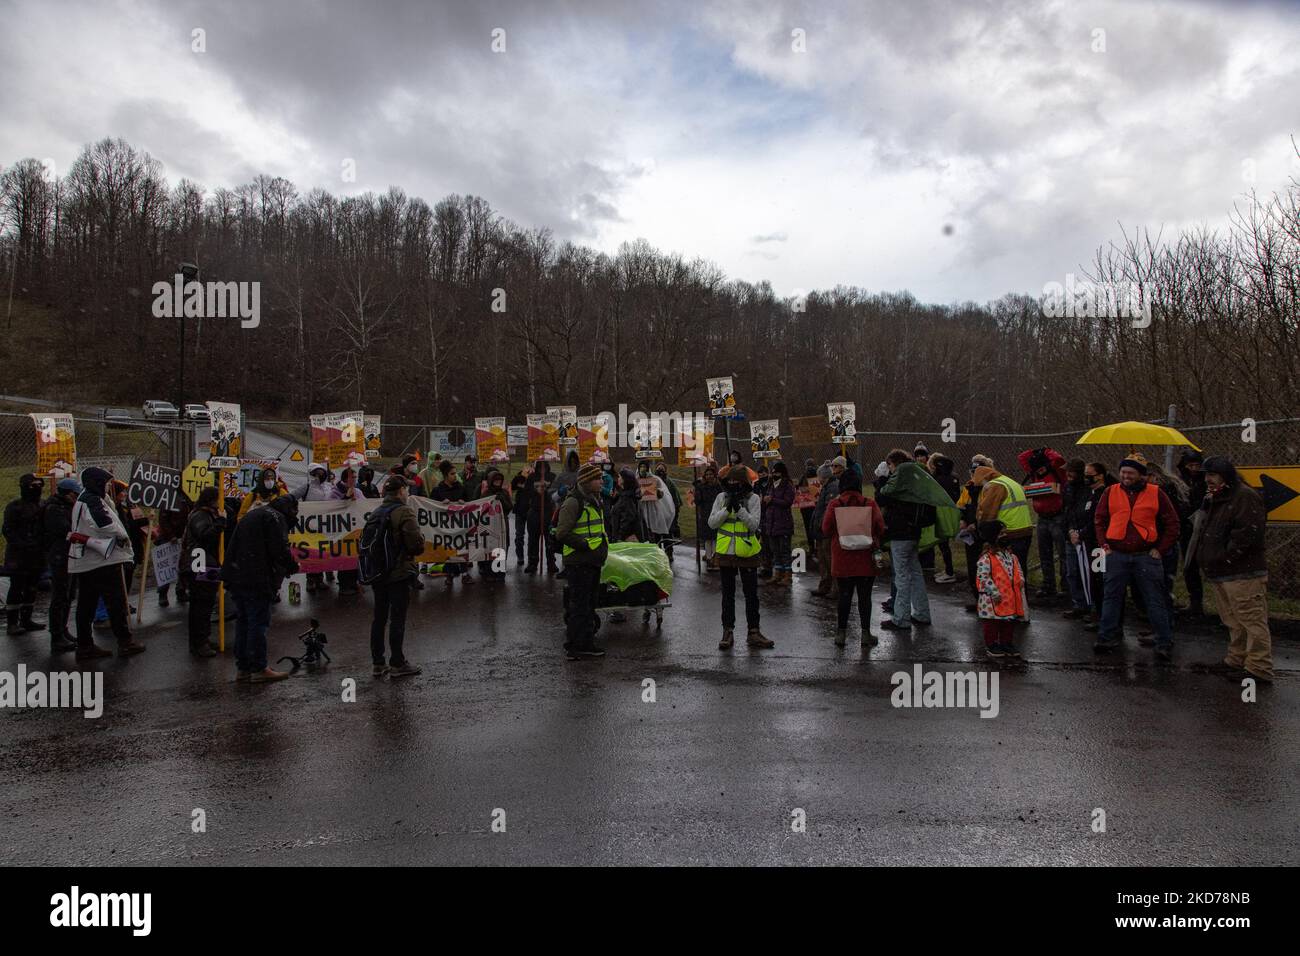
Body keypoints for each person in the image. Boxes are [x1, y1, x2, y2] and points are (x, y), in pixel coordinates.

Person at [1191, 457, 1273, 682]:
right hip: (1222, 572)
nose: (1207, 479)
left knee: (1251, 619)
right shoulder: (1216, 498)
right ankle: (1237, 659)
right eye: (1206, 475)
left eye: (1213, 475)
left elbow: (1248, 535)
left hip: (1243, 573)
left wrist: (1224, 558)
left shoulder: (1244, 497)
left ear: (1226, 476)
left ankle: (1259, 667)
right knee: (1232, 620)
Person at [1092, 457, 1180, 659]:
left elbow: (1173, 524)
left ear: (1141, 475)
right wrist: (1104, 545)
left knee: (1155, 600)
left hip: (1146, 556)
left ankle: (1163, 641)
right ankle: (1107, 637)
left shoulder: (1156, 493)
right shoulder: (1110, 491)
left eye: (1130, 473)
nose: (1125, 476)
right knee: (1111, 598)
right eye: (1123, 472)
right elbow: (1100, 520)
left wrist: (1161, 549)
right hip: (1116, 554)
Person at [68, 467, 144, 660]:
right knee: (116, 601)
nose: (109, 486)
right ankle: (125, 642)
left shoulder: (86, 499)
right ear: (97, 483)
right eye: (107, 483)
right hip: (102, 559)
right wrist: (123, 537)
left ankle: (85, 645)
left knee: (87, 603)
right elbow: (104, 523)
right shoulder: (91, 500)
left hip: (89, 560)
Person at [222, 495, 299, 682]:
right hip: (256, 577)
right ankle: (259, 667)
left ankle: (244, 668)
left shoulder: (255, 514)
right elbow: (279, 549)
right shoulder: (275, 518)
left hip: (237, 574)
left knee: (244, 622)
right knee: (258, 622)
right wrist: (292, 566)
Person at [366, 475, 425, 677]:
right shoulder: (404, 511)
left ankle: (378, 662)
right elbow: (416, 544)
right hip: (398, 571)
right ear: (400, 491)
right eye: (406, 490)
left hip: (378, 572)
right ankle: (398, 663)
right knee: (397, 617)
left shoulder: (376, 512)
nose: (407, 493)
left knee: (379, 617)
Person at [710, 465, 773, 650]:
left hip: (747, 553)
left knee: (751, 595)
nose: (733, 484)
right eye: (730, 481)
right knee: (727, 595)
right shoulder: (721, 498)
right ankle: (727, 632)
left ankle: (754, 632)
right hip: (725, 553)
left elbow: (753, 525)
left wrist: (739, 509)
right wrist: (726, 509)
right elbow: (712, 523)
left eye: (737, 481)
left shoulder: (753, 499)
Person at [821, 469, 885, 647]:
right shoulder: (869, 504)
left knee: (844, 596)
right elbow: (880, 527)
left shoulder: (835, 504)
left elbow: (825, 529)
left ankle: (841, 634)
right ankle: (865, 634)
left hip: (842, 560)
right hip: (865, 560)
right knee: (865, 597)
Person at [874, 450, 937, 630]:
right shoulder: (916, 478)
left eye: (891, 466)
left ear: (895, 464)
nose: (890, 469)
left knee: (901, 576)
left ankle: (901, 618)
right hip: (914, 532)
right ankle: (922, 613)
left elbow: (882, 497)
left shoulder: (899, 480)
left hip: (900, 533)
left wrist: (882, 479)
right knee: (916, 574)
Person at [555, 464, 610, 661]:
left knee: (588, 605)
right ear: (587, 481)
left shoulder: (594, 500)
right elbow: (562, 533)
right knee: (581, 606)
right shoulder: (574, 502)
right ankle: (579, 646)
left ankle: (582, 643)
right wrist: (585, 545)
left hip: (591, 561)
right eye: (598, 479)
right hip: (579, 562)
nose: (602, 481)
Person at [179, 486, 227, 658]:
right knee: (201, 604)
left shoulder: (207, 513)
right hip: (201, 563)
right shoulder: (201, 515)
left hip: (208, 562)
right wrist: (221, 522)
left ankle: (202, 639)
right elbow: (205, 535)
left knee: (206, 604)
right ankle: (199, 643)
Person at [1017, 447, 1069, 600]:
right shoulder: (1033, 473)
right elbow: (1022, 457)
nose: (1039, 471)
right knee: (1044, 553)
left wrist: (1047, 451)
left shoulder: (1056, 471)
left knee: (1063, 554)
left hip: (1058, 516)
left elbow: (1059, 460)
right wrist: (1034, 451)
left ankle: (1066, 586)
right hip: (1042, 517)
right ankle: (1048, 585)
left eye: (1041, 468)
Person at [974, 520, 1029, 659]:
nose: (1005, 536)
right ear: (993, 537)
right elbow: (983, 576)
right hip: (992, 599)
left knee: (1008, 621)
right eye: (1001, 533)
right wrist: (994, 591)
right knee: (992, 623)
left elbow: (1018, 569)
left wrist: (1021, 579)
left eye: (1005, 532)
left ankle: (1006, 643)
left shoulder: (1011, 556)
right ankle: (991, 644)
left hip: (1008, 597)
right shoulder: (986, 558)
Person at [971, 462, 1034, 582]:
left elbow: (987, 511)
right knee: (1020, 569)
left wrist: (982, 529)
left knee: (1008, 572)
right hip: (1025, 530)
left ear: (984, 479)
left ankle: (1011, 598)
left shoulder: (995, 486)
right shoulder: (1010, 481)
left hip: (1008, 533)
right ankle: (1021, 597)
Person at [4, 473, 48, 635]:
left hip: (37, 554)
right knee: (16, 587)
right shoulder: (15, 506)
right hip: (18, 555)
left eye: (39, 485)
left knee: (32, 587)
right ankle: (12, 623)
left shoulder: (42, 505)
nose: (37, 489)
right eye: (32, 485)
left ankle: (26, 619)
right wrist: (24, 544)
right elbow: (8, 530)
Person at [41, 477, 81, 652]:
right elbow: (65, 530)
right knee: (60, 595)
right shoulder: (53, 509)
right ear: (66, 493)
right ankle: (56, 636)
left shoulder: (67, 507)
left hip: (69, 554)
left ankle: (63, 629)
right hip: (60, 555)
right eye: (74, 494)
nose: (76, 497)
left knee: (69, 594)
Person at [1078, 462, 1116, 632]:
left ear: (1100, 475)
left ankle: (1102, 615)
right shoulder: (1090, 494)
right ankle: (1098, 612)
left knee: (1099, 580)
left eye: (1089, 474)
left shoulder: (1104, 494)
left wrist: (1082, 533)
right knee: (1094, 579)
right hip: (1090, 544)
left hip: (1098, 546)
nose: (1086, 477)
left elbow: (1097, 520)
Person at [955, 455, 994, 612]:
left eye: (977, 472)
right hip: (971, 534)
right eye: (972, 472)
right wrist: (963, 520)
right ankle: (978, 599)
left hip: (985, 532)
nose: (974, 475)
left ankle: (989, 599)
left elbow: (990, 511)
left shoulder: (990, 487)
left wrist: (975, 525)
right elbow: (961, 507)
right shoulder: (969, 487)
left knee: (987, 567)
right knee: (973, 566)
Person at [1060, 458, 1093, 619]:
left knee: (1088, 572)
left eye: (1071, 471)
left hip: (1086, 535)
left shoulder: (1088, 489)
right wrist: (1069, 531)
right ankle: (1078, 604)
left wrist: (1081, 532)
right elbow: (1066, 511)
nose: (1068, 474)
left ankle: (1091, 605)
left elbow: (1089, 514)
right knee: (1071, 572)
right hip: (1071, 533)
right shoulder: (1067, 488)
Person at [1176, 450, 1207, 618]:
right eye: (1190, 465)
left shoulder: (1206, 481)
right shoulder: (1181, 481)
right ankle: (1195, 602)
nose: (1194, 469)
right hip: (1187, 529)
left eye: (1197, 465)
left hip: (1205, 528)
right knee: (1190, 567)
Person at [110, 478, 149, 611]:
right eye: (122, 492)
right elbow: (127, 527)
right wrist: (143, 521)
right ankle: (121, 604)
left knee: (128, 577)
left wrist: (145, 520)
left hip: (131, 547)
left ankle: (124, 602)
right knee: (122, 579)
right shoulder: (112, 509)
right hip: (122, 549)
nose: (125, 494)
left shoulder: (124, 507)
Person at [429, 460, 470, 586]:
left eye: (455, 473)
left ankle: (465, 574)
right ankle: (450, 575)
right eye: (452, 474)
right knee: (448, 550)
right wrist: (440, 505)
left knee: (461, 549)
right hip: (445, 527)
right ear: (446, 475)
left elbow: (470, 503)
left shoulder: (461, 487)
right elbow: (430, 507)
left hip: (460, 525)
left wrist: (464, 503)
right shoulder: (438, 490)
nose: (455, 476)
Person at [296, 464, 333, 593]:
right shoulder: (306, 487)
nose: (320, 476)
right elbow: (291, 497)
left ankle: (320, 579)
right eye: (317, 473)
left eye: (322, 473)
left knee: (321, 553)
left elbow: (336, 500)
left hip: (325, 526)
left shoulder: (328, 487)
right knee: (311, 553)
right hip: (310, 527)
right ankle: (310, 580)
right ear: (312, 474)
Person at [810, 459, 842, 598]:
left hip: (826, 530)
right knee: (823, 559)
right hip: (820, 530)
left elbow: (829, 510)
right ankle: (825, 585)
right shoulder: (825, 488)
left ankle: (836, 588)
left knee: (830, 560)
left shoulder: (833, 488)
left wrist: (823, 525)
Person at [760, 460, 796, 586]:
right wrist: (765, 500)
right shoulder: (771, 485)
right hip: (771, 523)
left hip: (783, 523)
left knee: (784, 550)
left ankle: (787, 575)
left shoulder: (788, 485)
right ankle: (777, 573)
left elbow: (787, 502)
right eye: (773, 472)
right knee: (775, 551)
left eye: (776, 472)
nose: (774, 474)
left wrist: (772, 500)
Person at [927, 453, 960, 583]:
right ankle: (948, 569)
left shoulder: (938, 479)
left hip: (942, 514)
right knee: (944, 544)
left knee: (943, 544)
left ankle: (950, 571)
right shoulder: (953, 477)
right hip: (951, 513)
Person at [330, 467, 364, 595]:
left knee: (355, 557)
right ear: (345, 479)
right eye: (352, 477)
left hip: (355, 530)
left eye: (355, 477)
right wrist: (345, 498)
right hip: (343, 531)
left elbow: (365, 505)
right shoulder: (335, 492)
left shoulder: (358, 491)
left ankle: (354, 582)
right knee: (345, 557)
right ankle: (344, 585)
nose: (354, 479)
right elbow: (331, 508)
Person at [153, 499, 191, 608]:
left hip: (183, 537)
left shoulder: (189, 499)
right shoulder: (169, 499)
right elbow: (163, 520)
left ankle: (181, 590)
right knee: (167, 568)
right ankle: (163, 594)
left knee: (183, 566)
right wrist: (171, 535)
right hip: (169, 538)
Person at [636, 461, 676, 558]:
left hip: (656, 509)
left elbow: (662, 492)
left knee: (661, 530)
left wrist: (657, 492)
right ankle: (655, 554)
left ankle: (668, 551)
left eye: (644, 466)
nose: (642, 468)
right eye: (641, 466)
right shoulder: (636, 480)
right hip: (643, 509)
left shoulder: (655, 479)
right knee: (650, 533)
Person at [523, 460, 557, 574]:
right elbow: (526, 492)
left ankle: (551, 563)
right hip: (535, 510)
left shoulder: (552, 477)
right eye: (540, 466)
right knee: (533, 539)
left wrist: (546, 493)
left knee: (550, 539)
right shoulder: (531, 477)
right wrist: (535, 491)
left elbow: (555, 493)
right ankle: (532, 563)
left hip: (548, 510)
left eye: (544, 466)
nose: (542, 468)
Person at [478, 468, 512, 579]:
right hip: (490, 525)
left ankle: (500, 570)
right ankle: (489, 571)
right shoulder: (486, 494)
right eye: (495, 481)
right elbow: (480, 510)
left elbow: (509, 507)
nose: (497, 483)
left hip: (502, 524)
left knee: (502, 546)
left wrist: (502, 499)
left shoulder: (504, 493)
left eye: (499, 481)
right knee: (489, 547)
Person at [692, 464, 723, 570]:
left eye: (711, 474)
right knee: (708, 539)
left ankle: (715, 558)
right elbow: (697, 502)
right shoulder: (701, 487)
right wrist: (696, 491)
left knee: (715, 538)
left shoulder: (719, 487)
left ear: (714, 475)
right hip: (705, 515)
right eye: (707, 474)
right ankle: (709, 558)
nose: (709, 476)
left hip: (716, 514)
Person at [653, 462, 682, 561]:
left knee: (667, 535)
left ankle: (669, 553)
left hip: (667, 515)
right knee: (656, 535)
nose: (660, 471)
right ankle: (658, 554)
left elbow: (676, 500)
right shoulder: (653, 481)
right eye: (658, 469)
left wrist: (675, 515)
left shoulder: (669, 483)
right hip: (656, 514)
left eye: (662, 469)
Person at [609, 468, 645, 542]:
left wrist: (620, 537)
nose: (618, 479)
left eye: (619, 477)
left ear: (625, 480)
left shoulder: (628, 498)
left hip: (626, 540)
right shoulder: (627, 495)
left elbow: (628, 519)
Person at [510, 466, 531, 566]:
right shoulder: (520, 475)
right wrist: (522, 476)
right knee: (519, 535)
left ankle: (532, 558)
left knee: (532, 536)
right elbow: (513, 486)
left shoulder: (536, 476)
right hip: (520, 510)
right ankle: (520, 556)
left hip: (532, 510)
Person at [797, 458, 818, 546]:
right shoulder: (819, 474)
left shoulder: (803, 476)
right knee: (817, 526)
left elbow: (799, 489)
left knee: (808, 526)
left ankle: (812, 547)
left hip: (806, 505)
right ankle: (818, 546)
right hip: (816, 504)